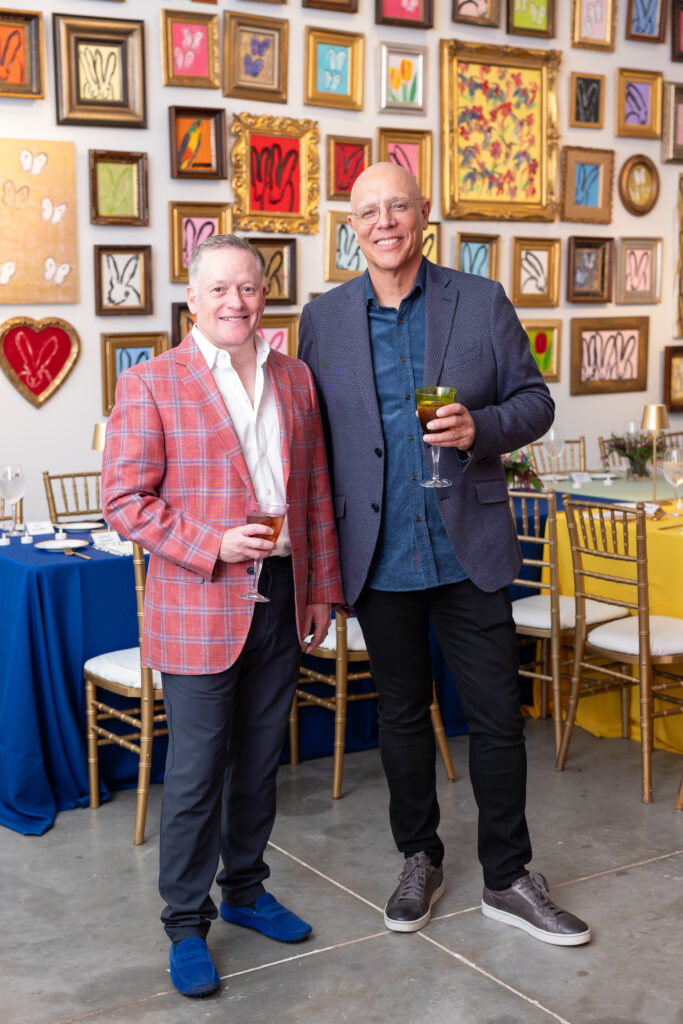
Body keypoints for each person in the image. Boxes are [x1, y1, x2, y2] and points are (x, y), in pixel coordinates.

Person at [298, 163, 591, 947]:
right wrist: (319, 570)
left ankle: (506, 877)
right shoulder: (322, 320)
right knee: (399, 716)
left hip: (470, 548)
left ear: (423, 215)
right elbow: (313, 449)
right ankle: (417, 857)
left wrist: (480, 431)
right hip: (379, 553)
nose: (384, 221)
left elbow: (535, 401)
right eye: (368, 211)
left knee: (497, 717)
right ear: (350, 226)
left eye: (398, 206)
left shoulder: (479, 300)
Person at [102, 234, 344, 997]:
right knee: (198, 774)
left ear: (262, 297)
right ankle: (184, 921)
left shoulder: (296, 378)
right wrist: (212, 541)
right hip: (199, 605)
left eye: (248, 288)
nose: (236, 302)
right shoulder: (152, 383)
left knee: (260, 763)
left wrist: (320, 589)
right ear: (192, 300)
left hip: (280, 600)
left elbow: (312, 494)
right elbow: (124, 503)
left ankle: (244, 889)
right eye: (219, 290)